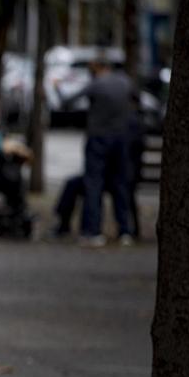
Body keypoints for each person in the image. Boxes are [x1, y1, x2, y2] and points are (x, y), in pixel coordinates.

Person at [56, 57, 136, 247]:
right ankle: (125, 230)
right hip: (121, 139)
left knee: (94, 184)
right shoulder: (125, 82)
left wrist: (57, 88)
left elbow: (68, 101)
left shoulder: (96, 85)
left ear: (97, 69)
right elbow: (137, 100)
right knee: (120, 185)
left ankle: (93, 231)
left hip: (99, 137)